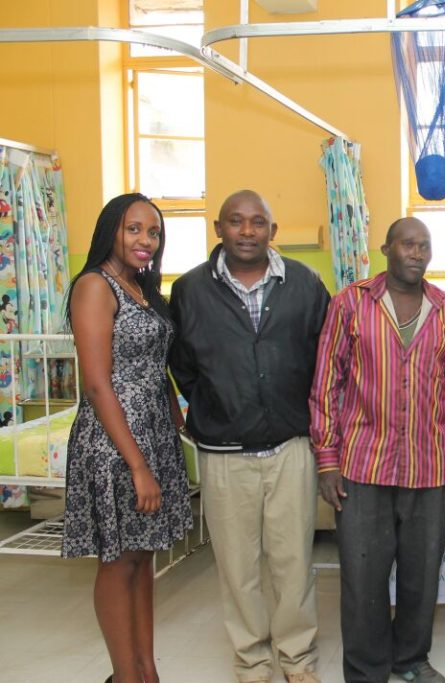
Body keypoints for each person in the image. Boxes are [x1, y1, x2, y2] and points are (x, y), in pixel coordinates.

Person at [169, 190, 329, 683]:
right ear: (219, 228)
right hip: (224, 451)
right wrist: (217, 406)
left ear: (272, 232)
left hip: (291, 446)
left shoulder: (304, 283)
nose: (246, 231)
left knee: (293, 561)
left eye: (257, 222)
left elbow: (324, 358)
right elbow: (183, 366)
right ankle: (252, 661)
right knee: (237, 567)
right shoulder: (191, 289)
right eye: (235, 221)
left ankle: (297, 658)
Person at [310, 216, 445, 683]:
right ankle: (365, 671)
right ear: (386, 249)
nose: (417, 253)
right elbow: (325, 385)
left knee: (422, 578)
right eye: (408, 244)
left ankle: (411, 660)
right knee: (363, 580)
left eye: (425, 246)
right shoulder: (350, 304)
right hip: (363, 466)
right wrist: (327, 460)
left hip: (430, 468)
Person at [62, 193, 193, 683]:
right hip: (115, 441)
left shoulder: (139, 287)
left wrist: (179, 423)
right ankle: (125, 674)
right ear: (110, 231)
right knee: (118, 560)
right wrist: (137, 464)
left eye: (153, 232)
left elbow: (153, 368)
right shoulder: (95, 286)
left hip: (153, 433)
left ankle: (145, 669)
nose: (145, 241)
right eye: (133, 229)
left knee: (143, 557)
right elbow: (97, 383)